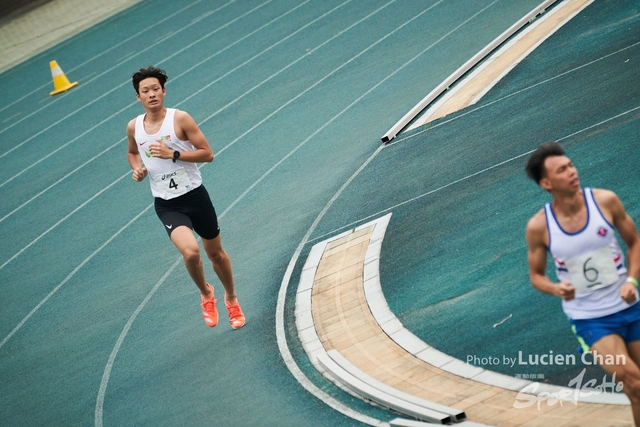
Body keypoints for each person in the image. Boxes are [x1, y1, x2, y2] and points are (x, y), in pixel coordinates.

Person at [525, 141, 640, 423]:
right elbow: (536, 276)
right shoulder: (539, 227)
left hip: (631, 307)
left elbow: (634, 243)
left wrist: (632, 280)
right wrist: (556, 288)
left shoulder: (605, 201)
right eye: (562, 170)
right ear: (545, 182)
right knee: (635, 383)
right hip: (591, 320)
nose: (572, 172)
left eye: (571, 165)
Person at [126, 65, 245, 330]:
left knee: (215, 255)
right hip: (167, 203)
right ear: (138, 97)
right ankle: (205, 293)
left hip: (195, 197)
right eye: (145, 91)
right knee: (191, 253)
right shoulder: (134, 127)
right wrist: (137, 169)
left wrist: (174, 154)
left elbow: (207, 154)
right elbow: (133, 152)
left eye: (156, 89)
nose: (152, 94)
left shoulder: (180, 119)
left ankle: (232, 298)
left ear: (164, 91)